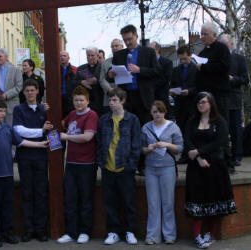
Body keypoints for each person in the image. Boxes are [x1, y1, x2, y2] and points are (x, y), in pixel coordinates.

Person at [0, 96, 49, 248]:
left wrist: (41, 144)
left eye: (4, 111)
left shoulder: (7, 128)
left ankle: (7, 233)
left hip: (7, 174)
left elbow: (21, 142)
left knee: (7, 206)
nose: (2, 114)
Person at [185, 92, 237, 249]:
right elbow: (188, 140)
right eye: (198, 103)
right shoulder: (192, 121)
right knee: (197, 201)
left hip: (215, 166)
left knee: (215, 200)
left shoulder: (219, 121)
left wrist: (199, 152)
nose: (200, 105)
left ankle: (211, 234)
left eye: (203, 102)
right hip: (196, 167)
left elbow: (220, 141)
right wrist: (198, 158)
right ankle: (197, 236)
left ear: (211, 104)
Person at [97, 87, 141, 245]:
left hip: (125, 168)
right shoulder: (103, 119)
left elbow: (136, 144)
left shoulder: (133, 119)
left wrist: (131, 165)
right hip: (108, 167)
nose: (111, 103)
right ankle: (113, 232)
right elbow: (99, 143)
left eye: (114, 100)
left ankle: (130, 231)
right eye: (109, 100)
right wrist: (101, 163)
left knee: (128, 202)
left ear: (123, 101)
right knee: (110, 203)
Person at [57, 86, 99, 244]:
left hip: (87, 164)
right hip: (71, 163)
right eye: (76, 100)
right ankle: (71, 232)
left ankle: (85, 231)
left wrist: (66, 136)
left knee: (86, 199)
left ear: (87, 101)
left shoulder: (92, 115)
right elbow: (61, 123)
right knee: (71, 199)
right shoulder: (72, 114)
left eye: (82, 100)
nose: (79, 103)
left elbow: (87, 137)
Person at [13, 79, 53, 242]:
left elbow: (52, 128)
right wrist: (40, 131)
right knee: (27, 193)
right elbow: (19, 131)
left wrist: (55, 149)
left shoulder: (45, 109)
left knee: (41, 194)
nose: (30, 93)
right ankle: (29, 230)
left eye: (32, 90)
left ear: (38, 91)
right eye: (27, 90)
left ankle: (40, 230)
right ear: (23, 92)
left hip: (42, 158)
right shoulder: (18, 109)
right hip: (25, 157)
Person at [141, 100, 183, 245]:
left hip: (167, 168)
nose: (157, 114)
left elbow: (180, 148)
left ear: (165, 112)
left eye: (160, 111)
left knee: (168, 203)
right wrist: (149, 149)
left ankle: (169, 235)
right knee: (153, 203)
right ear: (151, 113)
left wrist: (166, 144)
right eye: (154, 111)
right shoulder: (146, 127)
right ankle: (152, 235)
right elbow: (141, 149)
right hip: (151, 168)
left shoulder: (173, 127)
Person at [110, 24, 160, 125]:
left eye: (130, 39)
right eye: (125, 40)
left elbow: (157, 72)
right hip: (125, 98)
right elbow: (111, 76)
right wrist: (111, 74)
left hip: (144, 97)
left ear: (136, 36)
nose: (128, 42)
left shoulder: (149, 52)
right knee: (127, 128)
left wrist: (140, 70)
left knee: (145, 128)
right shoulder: (118, 55)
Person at [220, 34, 250, 167]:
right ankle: (224, 154)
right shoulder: (217, 60)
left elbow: (245, 79)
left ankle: (237, 154)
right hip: (220, 99)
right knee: (222, 127)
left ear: (231, 44)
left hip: (234, 98)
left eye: (225, 45)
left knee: (235, 128)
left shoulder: (239, 59)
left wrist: (233, 79)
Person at [196, 22, 231, 123]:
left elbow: (224, 67)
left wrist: (204, 67)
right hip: (206, 96)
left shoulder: (222, 49)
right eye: (201, 34)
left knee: (220, 123)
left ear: (214, 35)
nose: (202, 37)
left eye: (205, 34)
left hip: (219, 95)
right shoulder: (202, 53)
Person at [170, 46, 197, 164]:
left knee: (191, 129)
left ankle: (193, 153)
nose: (182, 61)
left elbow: (200, 85)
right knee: (181, 129)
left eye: (185, 59)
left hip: (192, 103)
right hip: (180, 103)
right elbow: (173, 84)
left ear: (190, 56)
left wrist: (190, 91)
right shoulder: (176, 70)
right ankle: (184, 154)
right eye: (180, 59)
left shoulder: (196, 69)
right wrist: (172, 91)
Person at [0, 48, 23, 126]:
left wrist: (6, 95)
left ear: (6, 57)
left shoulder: (16, 70)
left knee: (11, 129)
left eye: (0, 56)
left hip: (11, 105)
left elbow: (19, 86)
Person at [76, 47, 103, 116]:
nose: (90, 57)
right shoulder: (80, 68)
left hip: (100, 102)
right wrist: (82, 82)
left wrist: (95, 81)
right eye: (88, 55)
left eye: (92, 55)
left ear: (97, 56)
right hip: (84, 103)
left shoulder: (103, 67)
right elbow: (74, 82)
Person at [99, 39, 124, 113]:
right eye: (112, 46)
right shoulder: (105, 63)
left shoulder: (128, 60)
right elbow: (102, 79)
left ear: (122, 46)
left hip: (124, 98)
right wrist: (109, 90)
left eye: (116, 46)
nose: (114, 48)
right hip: (109, 100)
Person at [149, 42, 173, 111]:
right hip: (150, 97)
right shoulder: (147, 63)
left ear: (157, 50)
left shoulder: (167, 62)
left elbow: (167, 77)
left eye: (150, 49)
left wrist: (152, 85)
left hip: (162, 95)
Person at [60, 50, 78, 117]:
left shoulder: (75, 70)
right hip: (59, 99)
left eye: (64, 56)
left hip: (71, 100)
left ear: (68, 58)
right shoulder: (56, 70)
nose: (62, 57)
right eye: (61, 56)